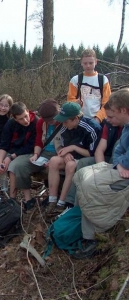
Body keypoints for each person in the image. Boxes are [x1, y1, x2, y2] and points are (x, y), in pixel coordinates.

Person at [72, 88, 129, 259]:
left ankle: (92, 239)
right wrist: (120, 164)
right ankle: (76, 222)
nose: (109, 120)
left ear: (123, 110)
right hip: (121, 169)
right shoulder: (125, 126)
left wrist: (120, 163)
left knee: (91, 185)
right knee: (82, 174)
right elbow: (118, 150)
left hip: (125, 174)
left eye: (111, 116)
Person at [0, 102, 38, 215]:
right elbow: (4, 144)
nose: (25, 120)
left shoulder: (35, 121)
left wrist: (10, 158)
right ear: (15, 119)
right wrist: (0, 161)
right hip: (11, 151)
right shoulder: (10, 124)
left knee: (13, 167)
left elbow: (31, 146)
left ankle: (12, 200)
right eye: (21, 119)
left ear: (28, 111)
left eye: (26, 116)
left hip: (27, 153)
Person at [46, 102, 102, 214]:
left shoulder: (91, 128)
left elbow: (93, 153)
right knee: (53, 161)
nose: (63, 124)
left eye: (66, 121)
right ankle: (52, 200)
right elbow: (62, 146)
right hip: (70, 156)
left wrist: (73, 148)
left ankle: (62, 202)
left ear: (76, 119)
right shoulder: (64, 127)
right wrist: (66, 153)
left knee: (70, 166)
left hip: (85, 158)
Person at [64, 101, 123, 206]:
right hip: (107, 159)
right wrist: (101, 167)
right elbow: (99, 150)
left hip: (121, 165)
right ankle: (70, 202)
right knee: (82, 163)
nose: (106, 119)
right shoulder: (108, 125)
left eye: (110, 116)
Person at [8, 99, 61, 210]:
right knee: (19, 165)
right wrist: (36, 154)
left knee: (54, 168)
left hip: (59, 155)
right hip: (43, 153)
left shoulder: (63, 123)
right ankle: (28, 200)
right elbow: (38, 141)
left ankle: (54, 199)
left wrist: (55, 159)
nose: (50, 121)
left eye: (51, 119)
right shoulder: (41, 123)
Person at [67, 48, 111, 123]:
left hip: (98, 120)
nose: (88, 66)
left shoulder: (103, 80)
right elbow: (70, 100)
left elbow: (107, 103)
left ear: (96, 62)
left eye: (91, 63)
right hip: (79, 120)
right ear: (81, 63)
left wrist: (98, 118)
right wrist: (75, 103)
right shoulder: (75, 80)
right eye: (85, 63)